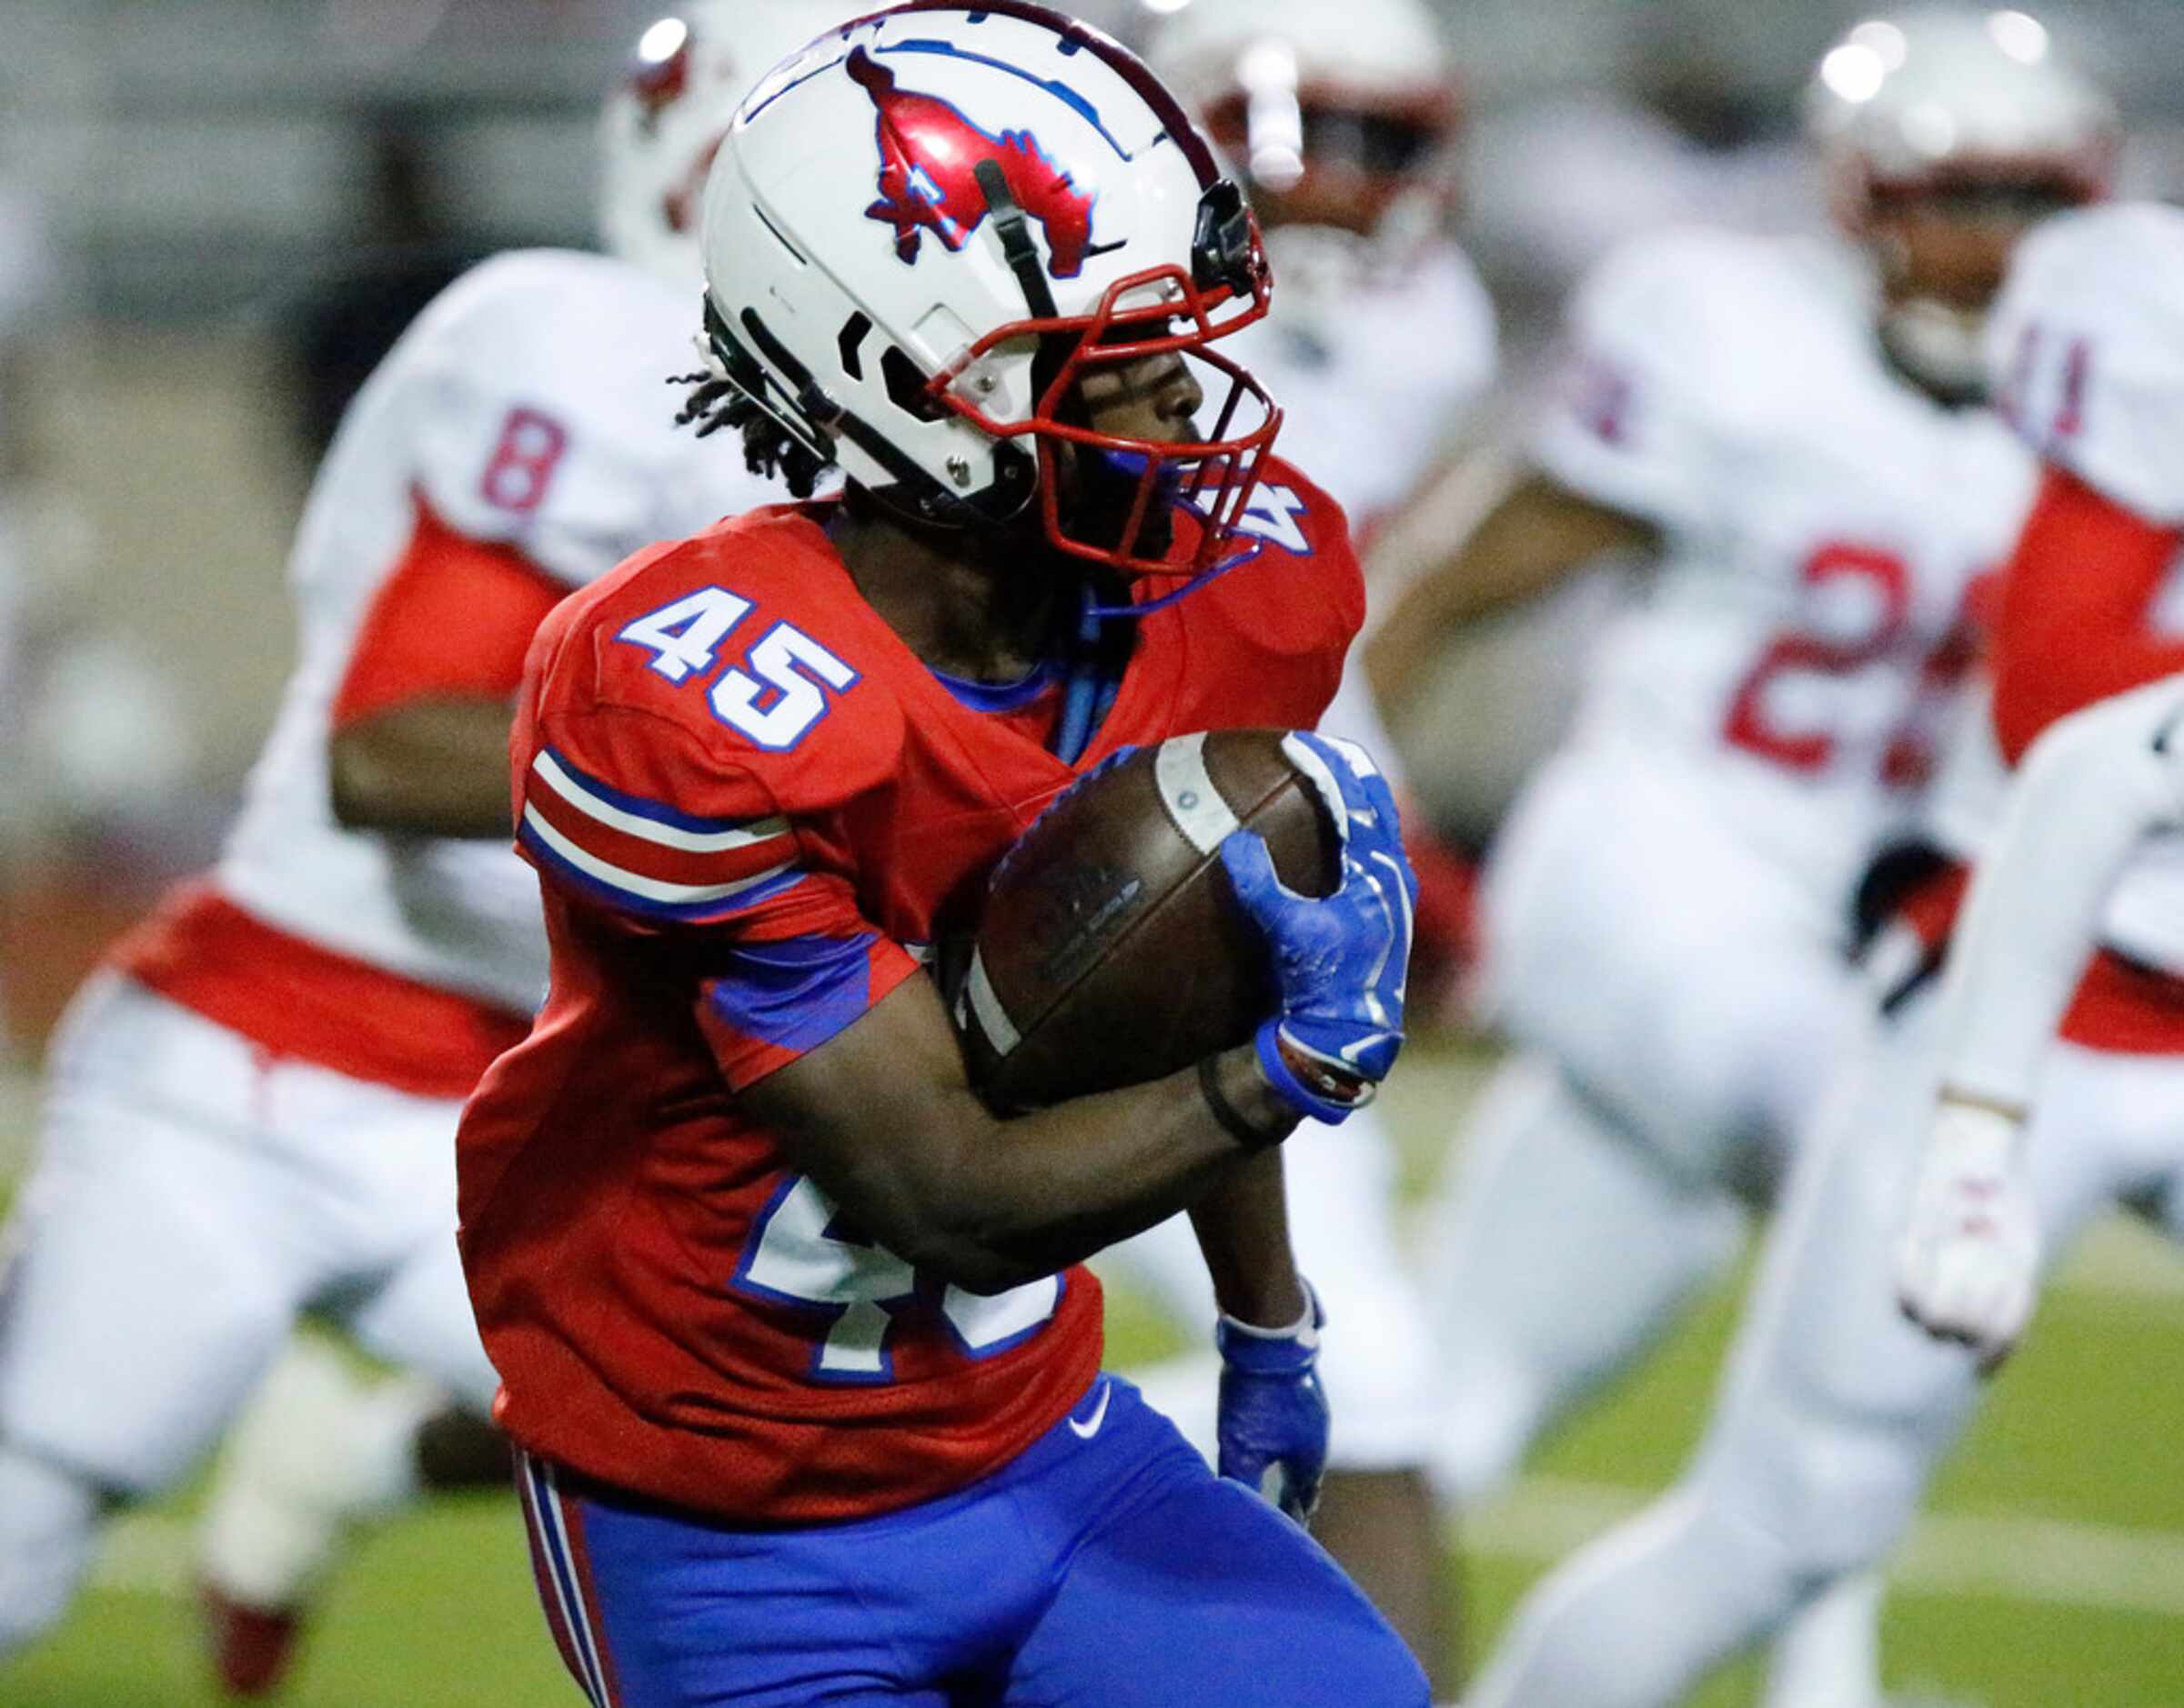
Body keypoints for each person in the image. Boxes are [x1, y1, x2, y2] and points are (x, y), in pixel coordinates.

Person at [454, 5, 1428, 1703]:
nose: (1174, 391)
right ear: (897, 374)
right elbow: (949, 1196)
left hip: (1036, 1445)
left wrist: (1265, 1316)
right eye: (1102, 356)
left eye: (1170, 337)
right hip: (719, 1502)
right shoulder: (690, 686)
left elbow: (1161, 981)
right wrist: (1293, 1068)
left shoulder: (1229, 587)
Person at [0, 3, 842, 1688]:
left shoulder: (874, 436)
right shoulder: (577, 344)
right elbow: (395, 747)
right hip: (274, 1057)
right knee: (32, 1504)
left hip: (560, 1101)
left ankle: (343, 1466)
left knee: (816, 1479)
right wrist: (786, 794)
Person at [1363, 9, 2113, 1703]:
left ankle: (1092, 1548)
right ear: (1853, 199)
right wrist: (1340, 802)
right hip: (1651, 874)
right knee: (1879, 1150)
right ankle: (1825, 1675)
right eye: (1951, 195)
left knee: (1435, 1404)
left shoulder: (2118, 397)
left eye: (2026, 199)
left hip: (1841, 937)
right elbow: (1453, 575)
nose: (1989, 245)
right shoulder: (1725, 334)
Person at [1100, 0, 1493, 1680]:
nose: (1329, 188)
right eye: (1289, 132)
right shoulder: (1046, 286)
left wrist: (1378, 829)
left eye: (1371, 143)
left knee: (1367, 1371)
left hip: (1207, 890)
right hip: (954, 883)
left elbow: (1295, 632)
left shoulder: (1423, 333)